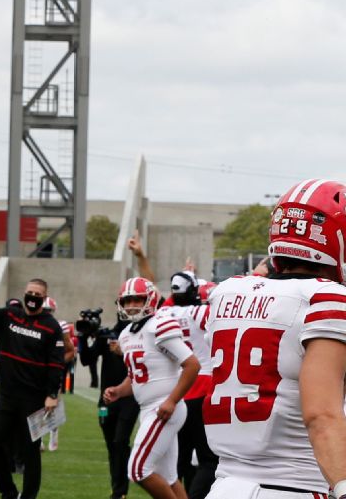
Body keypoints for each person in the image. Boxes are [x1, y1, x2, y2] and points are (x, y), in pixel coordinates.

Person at [204, 179, 346, 498]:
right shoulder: (326, 299)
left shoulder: (227, 292)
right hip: (296, 486)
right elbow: (321, 414)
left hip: (224, 486)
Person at [0, 263, 65, 499]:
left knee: (30, 451)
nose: (32, 297)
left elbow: (56, 364)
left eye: (38, 295)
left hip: (33, 399)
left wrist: (52, 395)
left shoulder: (51, 327)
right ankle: (8, 491)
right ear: (24, 293)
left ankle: (28, 496)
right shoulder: (10, 315)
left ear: (45, 298)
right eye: (30, 293)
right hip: (6, 396)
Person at [101, 277, 199, 499]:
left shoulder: (158, 325)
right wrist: (118, 390)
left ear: (150, 299)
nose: (132, 305)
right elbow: (137, 376)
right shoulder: (126, 335)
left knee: (137, 470)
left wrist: (172, 400)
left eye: (137, 299)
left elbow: (192, 364)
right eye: (127, 301)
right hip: (149, 408)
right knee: (169, 477)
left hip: (164, 407)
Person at [161, 271, 217, 498]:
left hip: (175, 390)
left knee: (178, 457)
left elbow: (170, 297)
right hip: (203, 386)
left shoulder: (163, 313)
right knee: (208, 459)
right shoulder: (201, 312)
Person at [79, 311, 137, 499]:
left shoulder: (138, 336)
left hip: (129, 398)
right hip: (105, 400)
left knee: (120, 442)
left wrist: (123, 352)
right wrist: (83, 336)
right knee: (112, 446)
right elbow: (86, 359)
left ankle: (121, 492)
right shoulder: (107, 336)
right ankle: (117, 489)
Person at [40, 296, 77, 451]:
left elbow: (70, 352)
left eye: (49, 310)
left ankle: (53, 434)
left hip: (53, 372)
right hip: (36, 371)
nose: (47, 313)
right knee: (36, 406)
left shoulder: (59, 326)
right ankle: (39, 439)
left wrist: (56, 365)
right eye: (45, 310)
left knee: (52, 405)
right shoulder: (32, 325)